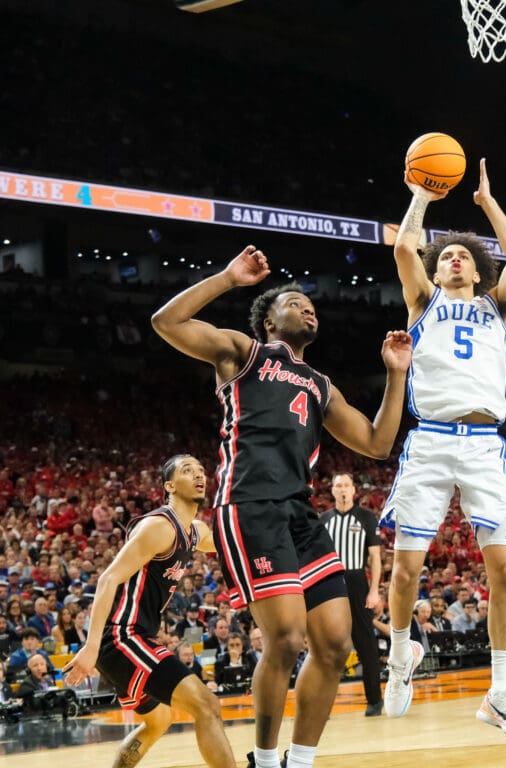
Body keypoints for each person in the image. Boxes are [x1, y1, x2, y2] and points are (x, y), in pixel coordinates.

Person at [152, 245, 411, 768]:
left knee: (335, 643)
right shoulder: (243, 352)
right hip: (248, 506)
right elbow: (166, 322)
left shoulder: (320, 385)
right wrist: (228, 278)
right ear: (270, 320)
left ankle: (300, 761)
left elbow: (378, 443)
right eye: (295, 303)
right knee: (288, 637)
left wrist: (396, 373)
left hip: (299, 513)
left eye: (311, 305)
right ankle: (266, 761)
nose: (308, 308)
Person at [380, 158, 506, 743]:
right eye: (445, 255)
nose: (453, 259)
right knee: (405, 570)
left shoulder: (499, 307)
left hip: (484, 446)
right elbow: (404, 250)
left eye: (462, 256)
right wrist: (420, 195)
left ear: (477, 268)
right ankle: (401, 657)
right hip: (430, 441)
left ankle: (500, 694)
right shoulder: (423, 302)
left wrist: (488, 204)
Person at [63, 455, 236, 768]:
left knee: (158, 721)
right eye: (187, 470)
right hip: (121, 636)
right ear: (169, 486)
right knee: (207, 705)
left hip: (134, 638)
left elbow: (224, 542)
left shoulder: (194, 531)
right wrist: (90, 646)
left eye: (200, 470)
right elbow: (107, 579)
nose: (198, 475)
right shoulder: (159, 527)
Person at [319, 472, 384, 717]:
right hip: (331, 581)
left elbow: (375, 557)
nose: (343, 489)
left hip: (357, 581)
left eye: (346, 485)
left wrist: (374, 590)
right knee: (327, 644)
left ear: (354, 490)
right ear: (333, 491)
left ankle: (374, 700)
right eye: (338, 485)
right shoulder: (323, 520)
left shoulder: (366, 517)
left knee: (366, 642)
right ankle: (322, 704)